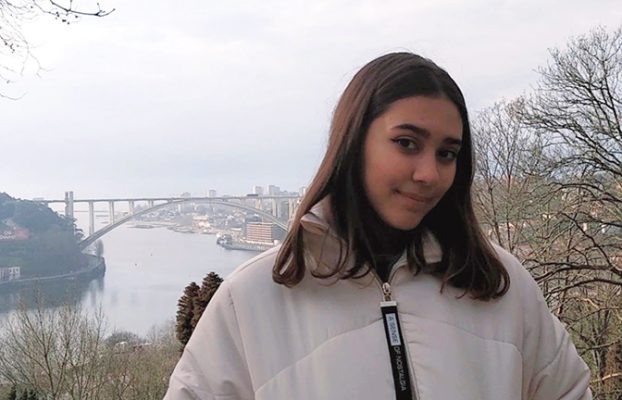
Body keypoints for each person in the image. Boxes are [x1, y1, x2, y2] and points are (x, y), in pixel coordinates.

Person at [164, 52, 592, 400]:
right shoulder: (251, 301)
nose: (429, 173)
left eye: (447, 153)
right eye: (407, 143)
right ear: (353, 143)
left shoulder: (502, 287)